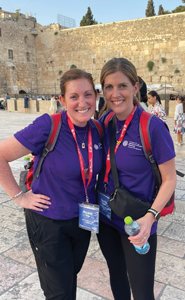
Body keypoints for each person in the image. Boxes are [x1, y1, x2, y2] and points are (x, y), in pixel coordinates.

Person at [0, 69, 102, 300]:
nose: (82, 102)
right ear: (63, 100)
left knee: (69, 278)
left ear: (95, 97)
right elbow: (1, 155)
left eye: (88, 94)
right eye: (74, 96)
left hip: (82, 221)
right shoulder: (49, 125)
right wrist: (19, 197)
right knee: (59, 292)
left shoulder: (97, 129)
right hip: (49, 222)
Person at [96, 57, 176, 300]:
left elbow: (170, 179)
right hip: (106, 218)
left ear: (134, 87)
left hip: (138, 223)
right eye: (108, 87)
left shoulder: (151, 127)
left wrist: (151, 218)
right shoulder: (106, 121)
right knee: (117, 277)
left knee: (142, 292)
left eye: (122, 86)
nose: (115, 93)